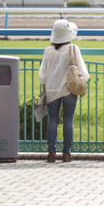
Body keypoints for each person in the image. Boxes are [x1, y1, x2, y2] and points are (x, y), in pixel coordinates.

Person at [38, 19, 90, 163]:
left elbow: (42, 74)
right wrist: (82, 85)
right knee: (68, 120)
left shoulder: (48, 51)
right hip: (70, 90)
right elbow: (83, 72)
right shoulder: (73, 48)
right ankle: (67, 153)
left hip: (52, 89)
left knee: (53, 120)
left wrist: (44, 92)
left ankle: (51, 153)